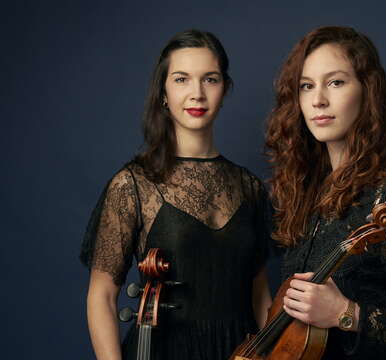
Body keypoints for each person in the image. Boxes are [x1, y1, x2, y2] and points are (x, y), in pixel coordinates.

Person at [265, 26, 386, 359]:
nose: (318, 99)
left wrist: (346, 313)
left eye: (335, 82)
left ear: (366, 91)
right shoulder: (306, 197)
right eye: (306, 86)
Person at [80, 29, 272, 360]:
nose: (197, 93)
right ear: (164, 93)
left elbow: (260, 296)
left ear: (224, 90)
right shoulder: (133, 185)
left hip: (242, 352)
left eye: (210, 79)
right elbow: (102, 296)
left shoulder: (250, 187)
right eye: (182, 79)